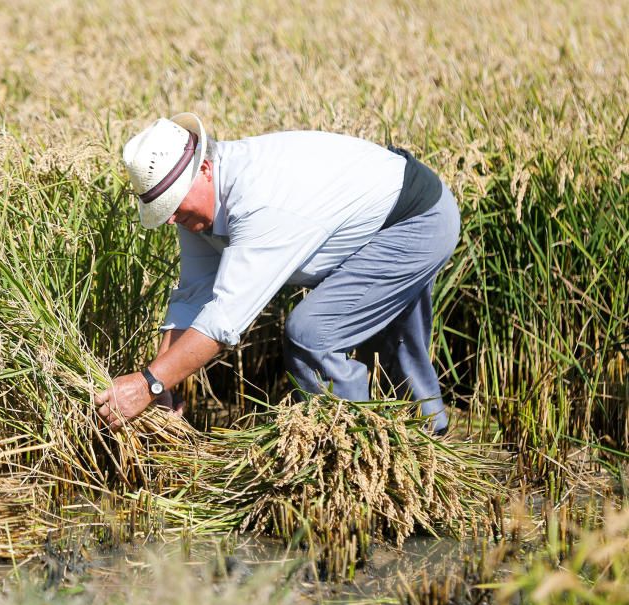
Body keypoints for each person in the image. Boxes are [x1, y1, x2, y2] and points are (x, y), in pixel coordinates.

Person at [94, 112, 460, 435]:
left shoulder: (259, 201)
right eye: (163, 209)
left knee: (313, 334)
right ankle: (429, 433)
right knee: (385, 334)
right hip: (379, 217)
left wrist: (149, 385)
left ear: (204, 170)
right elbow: (193, 296)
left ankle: (355, 451)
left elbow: (223, 321)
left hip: (416, 220)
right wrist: (162, 379)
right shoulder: (196, 210)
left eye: (173, 204)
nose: (171, 218)